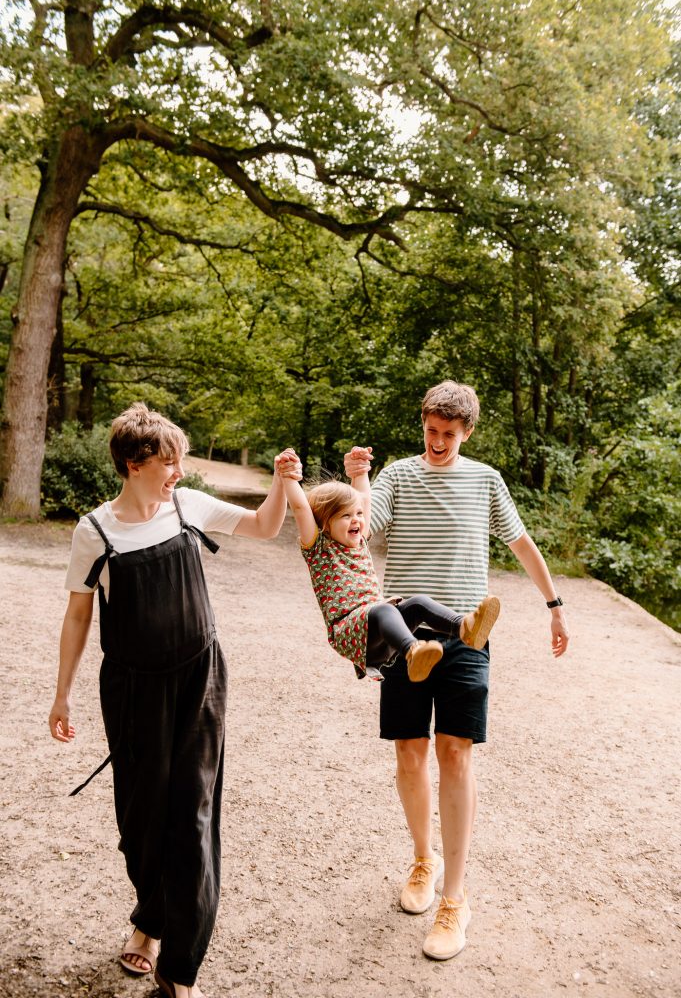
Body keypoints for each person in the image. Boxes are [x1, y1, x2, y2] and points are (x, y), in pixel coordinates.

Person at [48, 403, 300, 998]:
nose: (178, 472)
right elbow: (78, 614)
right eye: (169, 462)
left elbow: (264, 527)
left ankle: (179, 966)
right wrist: (62, 694)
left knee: (193, 813)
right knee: (142, 819)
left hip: (199, 681)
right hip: (133, 689)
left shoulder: (189, 508)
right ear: (135, 464)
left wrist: (282, 485)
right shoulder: (96, 531)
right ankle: (149, 919)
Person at [344, 381, 569, 962]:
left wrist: (554, 606)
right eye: (431, 431)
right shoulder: (397, 475)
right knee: (409, 754)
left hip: (469, 634)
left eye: (449, 433)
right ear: (422, 424)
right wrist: (358, 481)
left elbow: (521, 544)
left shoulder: (485, 480)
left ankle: (455, 896)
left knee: (456, 753)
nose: (438, 442)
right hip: (403, 634)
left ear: (467, 431)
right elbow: (362, 527)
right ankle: (424, 860)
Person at [281, 468, 501, 682]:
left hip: (380, 634)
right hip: (350, 632)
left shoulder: (360, 544)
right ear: (325, 525)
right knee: (384, 608)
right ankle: (413, 651)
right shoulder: (320, 550)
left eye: (358, 514)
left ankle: (465, 627)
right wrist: (289, 477)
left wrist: (362, 471)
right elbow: (300, 508)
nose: (357, 519)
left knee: (418, 603)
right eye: (346, 515)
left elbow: (365, 499)